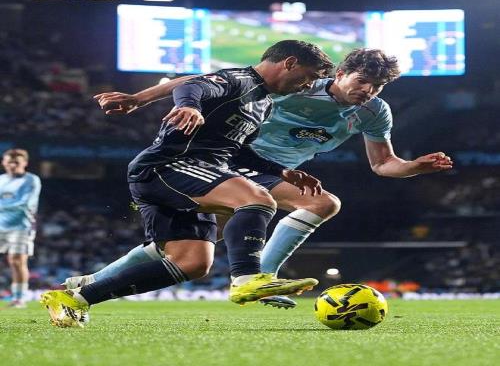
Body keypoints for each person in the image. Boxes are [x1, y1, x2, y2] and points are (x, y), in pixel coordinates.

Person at [67, 48, 453, 310]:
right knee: (322, 203)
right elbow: (196, 80)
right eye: (363, 80)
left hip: (269, 171)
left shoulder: (373, 111)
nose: (368, 90)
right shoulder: (300, 84)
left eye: (378, 86)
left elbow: (383, 164)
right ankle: (260, 279)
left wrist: (413, 167)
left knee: (193, 245)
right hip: (236, 160)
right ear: (341, 73)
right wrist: (140, 99)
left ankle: (90, 283)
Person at [40, 39, 334, 327]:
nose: (307, 85)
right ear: (290, 63)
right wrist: (190, 106)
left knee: (193, 264)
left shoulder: (264, 104)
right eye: (309, 77)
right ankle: (247, 277)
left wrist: (281, 171)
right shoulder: (238, 79)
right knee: (257, 198)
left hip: (192, 173)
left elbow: (237, 150)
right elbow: (190, 86)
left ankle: (76, 298)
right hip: (167, 166)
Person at [0, 149, 41, 308]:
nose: (12, 165)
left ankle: (19, 298)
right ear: (3, 162)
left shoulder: (31, 180)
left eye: (16, 162)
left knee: (16, 261)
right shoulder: (1, 180)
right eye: (9, 162)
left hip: (21, 226)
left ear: (25, 163)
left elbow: (25, 203)